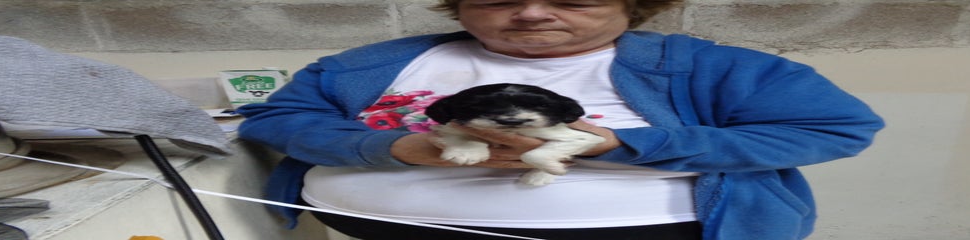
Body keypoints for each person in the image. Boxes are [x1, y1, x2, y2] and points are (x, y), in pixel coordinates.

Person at [236, 0, 885, 239]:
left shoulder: (711, 66)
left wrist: (628, 145)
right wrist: (401, 150)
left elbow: (836, 128)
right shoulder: (373, 62)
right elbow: (276, 119)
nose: (533, 12)